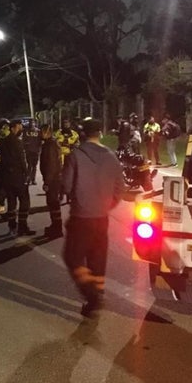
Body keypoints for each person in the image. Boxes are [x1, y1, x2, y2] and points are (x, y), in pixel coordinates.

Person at [61, 118, 124, 318]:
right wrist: (106, 206)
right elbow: (120, 189)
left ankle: (92, 296)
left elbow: (66, 186)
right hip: (102, 218)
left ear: (82, 134)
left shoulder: (75, 155)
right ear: (100, 133)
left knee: (72, 257)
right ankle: (97, 294)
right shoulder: (112, 157)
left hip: (81, 217)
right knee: (97, 258)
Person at [0, 119, 35, 236]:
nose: (22, 128)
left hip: (8, 177)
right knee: (24, 202)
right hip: (18, 176)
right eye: (20, 126)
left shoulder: (3, 142)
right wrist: (27, 174)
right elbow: (22, 160)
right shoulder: (17, 142)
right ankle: (22, 226)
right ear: (15, 127)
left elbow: (2, 161)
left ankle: (12, 226)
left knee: (11, 203)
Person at [39, 124, 63, 238]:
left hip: (53, 180)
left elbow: (51, 165)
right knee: (53, 203)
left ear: (47, 132)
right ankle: (55, 226)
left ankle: (57, 228)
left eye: (42, 132)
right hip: (54, 178)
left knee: (53, 203)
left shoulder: (50, 145)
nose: (40, 134)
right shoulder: (50, 143)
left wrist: (47, 182)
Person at [22, 119, 41, 185]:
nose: (32, 124)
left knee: (34, 166)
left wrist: (39, 149)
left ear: (35, 123)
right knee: (29, 165)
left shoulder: (38, 131)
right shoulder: (26, 131)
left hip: (36, 151)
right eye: (31, 123)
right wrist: (25, 147)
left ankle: (33, 179)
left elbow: (40, 141)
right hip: (28, 151)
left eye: (33, 123)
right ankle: (28, 179)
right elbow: (23, 140)